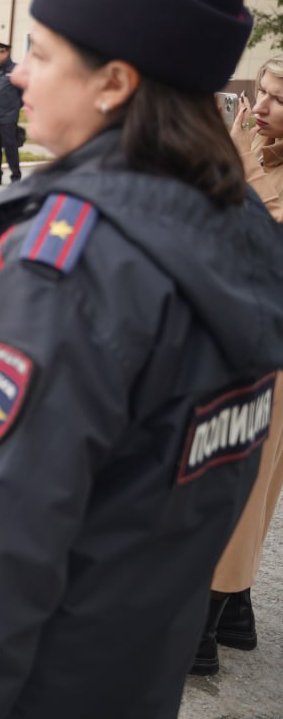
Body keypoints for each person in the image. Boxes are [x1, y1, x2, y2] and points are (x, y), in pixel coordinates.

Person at [0, 0, 283, 719]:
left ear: (114, 83)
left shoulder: (63, 279)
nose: (17, 72)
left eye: (43, 51)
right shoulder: (232, 233)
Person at [193, 52, 283, 675]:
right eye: (264, 91)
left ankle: (198, 633)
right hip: (229, 335)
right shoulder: (252, 134)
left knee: (241, 487)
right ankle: (238, 610)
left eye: (279, 100)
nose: (262, 107)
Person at [0, 41, 23, 184]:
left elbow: (23, 94)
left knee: (10, 148)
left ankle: (16, 177)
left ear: (6, 53)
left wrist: (13, 108)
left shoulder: (16, 69)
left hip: (8, 117)